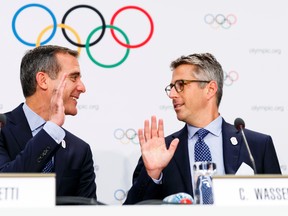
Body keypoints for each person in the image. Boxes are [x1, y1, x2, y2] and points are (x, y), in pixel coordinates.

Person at [123, 53, 282, 204]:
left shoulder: (256, 146)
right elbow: (131, 210)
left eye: (180, 85)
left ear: (210, 89)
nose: (172, 94)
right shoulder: (162, 150)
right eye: (171, 87)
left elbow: (278, 207)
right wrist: (153, 174)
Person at [0, 45, 97, 200]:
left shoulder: (80, 150)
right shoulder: (2, 130)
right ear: (43, 81)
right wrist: (51, 130)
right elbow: (6, 184)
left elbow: (88, 209)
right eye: (74, 77)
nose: (82, 87)